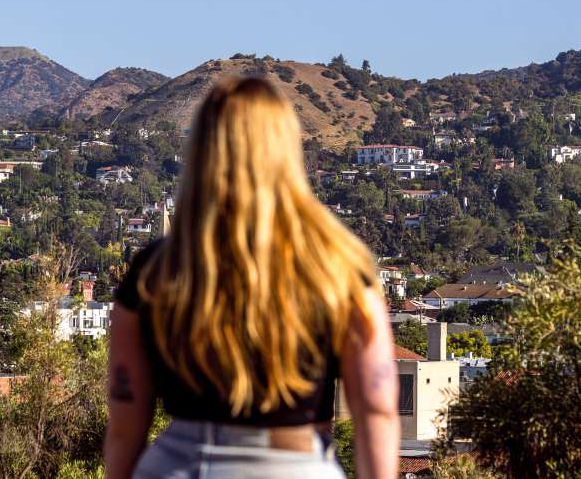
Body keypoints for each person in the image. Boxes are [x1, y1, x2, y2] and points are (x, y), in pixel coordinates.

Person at [104, 77, 399, 479]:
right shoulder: (340, 268)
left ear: (203, 151)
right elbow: (377, 412)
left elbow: (125, 425)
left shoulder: (156, 271)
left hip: (182, 465)